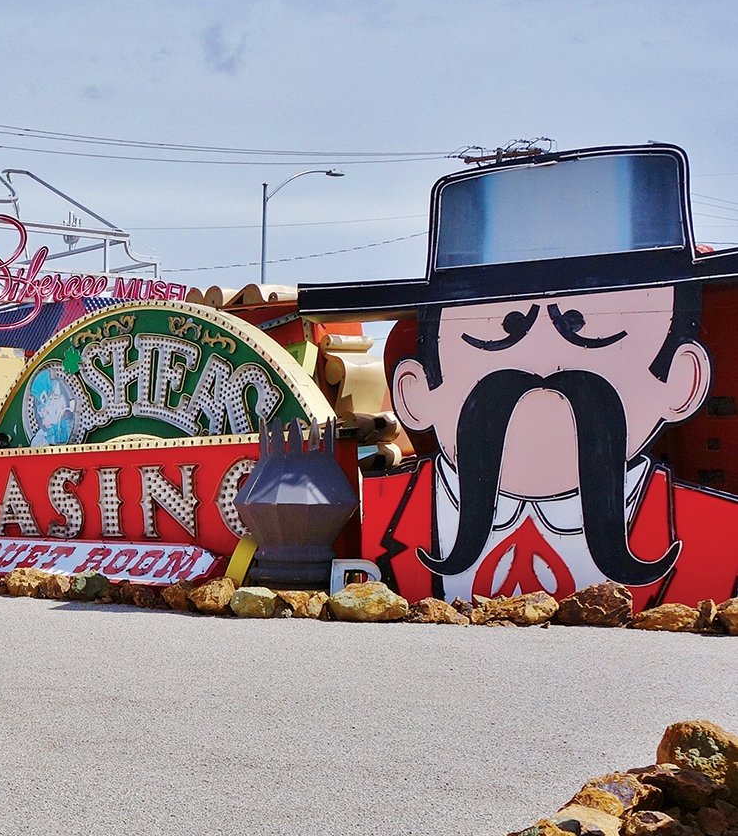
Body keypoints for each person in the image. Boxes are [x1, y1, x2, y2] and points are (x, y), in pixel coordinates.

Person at [299, 144, 738, 609]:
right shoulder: (377, 515)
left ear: (684, 381)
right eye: (500, 334)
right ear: (414, 391)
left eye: (588, 331)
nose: (542, 364)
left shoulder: (714, 531)